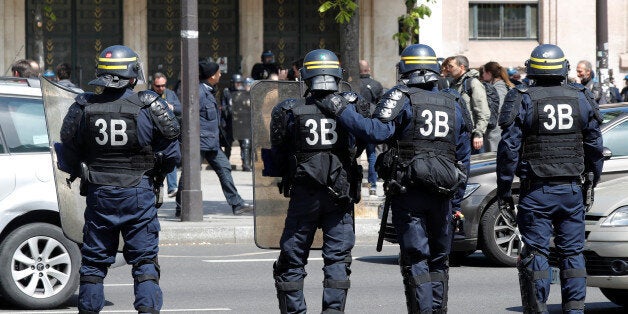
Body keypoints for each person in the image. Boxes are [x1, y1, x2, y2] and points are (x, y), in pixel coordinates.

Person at [316, 44, 471, 314]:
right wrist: (456, 201)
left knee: (416, 259)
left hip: (409, 192)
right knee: (439, 260)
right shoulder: (454, 102)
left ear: (406, 70)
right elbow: (464, 157)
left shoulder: (402, 96)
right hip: (444, 194)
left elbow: (376, 131)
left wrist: (342, 111)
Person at [59, 45, 181, 314]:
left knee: (93, 263)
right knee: (145, 263)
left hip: (99, 194)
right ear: (133, 74)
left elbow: (68, 151)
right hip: (139, 193)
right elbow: (172, 154)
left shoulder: (83, 107)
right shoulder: (148, 105)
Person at [496, 44, 604, 314]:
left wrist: (504, 189)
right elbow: (594, 145)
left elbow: (508, 148)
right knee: (572, 253)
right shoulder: (581, 95)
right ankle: (575, 309)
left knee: (537, 252)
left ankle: (538, 308)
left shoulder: (521, 96)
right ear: (564, 68)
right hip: (571, 189)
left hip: (537, 190)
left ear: (532, 68)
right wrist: (592, 179)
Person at [269, 49, 366, 313]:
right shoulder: (352, 107)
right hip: (341, 194)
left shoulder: (287, 110)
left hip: (304, 195)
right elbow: (362, 144)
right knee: (337, 261)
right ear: (337, 74)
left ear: (305, 76)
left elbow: (278, 156)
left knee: (292, 260)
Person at [175, 61, 254, 217]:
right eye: (218, 73)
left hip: (211, 143)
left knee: (224, 168)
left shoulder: (208, 90)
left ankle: (236, 204)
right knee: (189, 175)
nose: (220, 75)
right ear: (212, 76)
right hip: (199, 143)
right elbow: (187, 114)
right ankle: (181, 206)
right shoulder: (199, 92)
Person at [448, 55, 490, 154]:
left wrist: (478, 134)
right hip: (457, 135)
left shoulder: (473, 83)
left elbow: (483, 111)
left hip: (471, 138)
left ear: (461, 67)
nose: (448, 69)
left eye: (451, 66)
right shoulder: (453, 84)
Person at [151, 72, 182, 197]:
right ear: (153, 85)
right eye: (158, 86)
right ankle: (157, 187)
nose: (161, 88)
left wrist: (171, 107)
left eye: (163, 85)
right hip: (154, 134)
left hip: (169, 134)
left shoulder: (171, 94)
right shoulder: (148, 95)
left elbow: (181, 109)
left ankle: (172, 187)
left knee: (171, 158)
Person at [358, 59, 384, 196]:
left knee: (352, 154)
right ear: (368, 69)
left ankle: (354, 183)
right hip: (371, 122)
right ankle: (372, 185)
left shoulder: (354, 84)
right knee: (371, 154)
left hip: (356, 122)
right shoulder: (376, 85)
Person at [222, 73, 253, 171]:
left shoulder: (245, 93)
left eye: (240, 83)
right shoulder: (227, 92)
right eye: (237, 83)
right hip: (230, 122)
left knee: (246, 144)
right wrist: (228, 110)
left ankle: (246, 164)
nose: (238, 85)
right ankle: (225, 164)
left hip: (243, 123)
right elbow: (224, 107)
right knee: (227, 144)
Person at [481, 61, 514, 152]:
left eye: (484, 72)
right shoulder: (500, 86)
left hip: (496, 131)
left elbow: (499, 108)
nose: (482, 75)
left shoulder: (499, 88)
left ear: (489, 73)